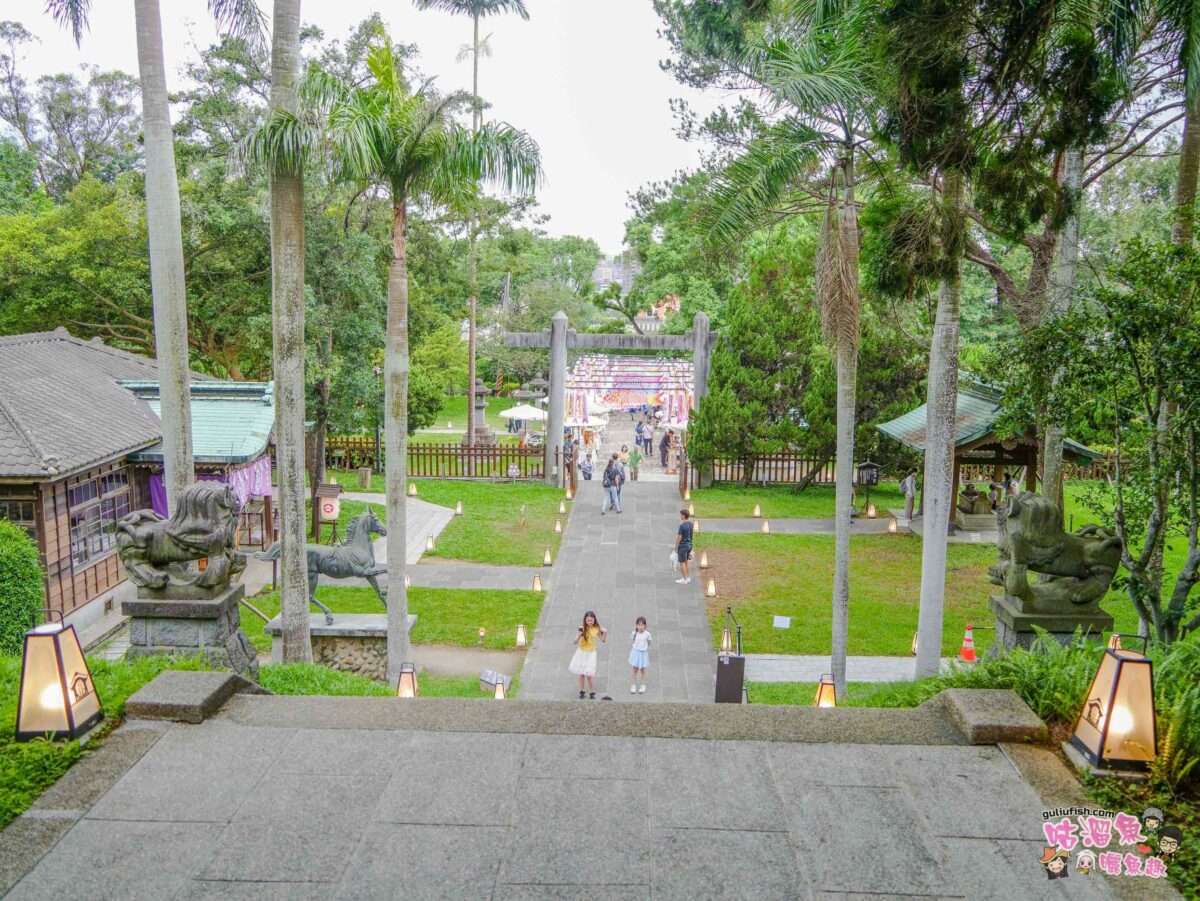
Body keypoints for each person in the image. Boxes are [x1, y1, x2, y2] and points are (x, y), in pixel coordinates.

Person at [569, 610, 607, 699]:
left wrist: (604, 632)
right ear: (585, 620)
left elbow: (603, 640)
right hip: (582, 652)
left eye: (591, 620)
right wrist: (579, 635)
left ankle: (592, 692)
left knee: (589, 675)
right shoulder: (581, 628)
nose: (589, 622)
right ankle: (581, 691)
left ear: (594, 620)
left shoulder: (597, 628)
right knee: (582, 674)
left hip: (591, 653)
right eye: (588, 621)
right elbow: (574, 642)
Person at [629, 616, 652, 694]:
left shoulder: (647, 634)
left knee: (642, 670)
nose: (640, 626)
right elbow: (633, 640)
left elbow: (649, 642)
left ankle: (642, 685)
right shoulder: (634, 633)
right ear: (636, 625)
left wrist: (644, 647)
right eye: (638, 625)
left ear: (644, 625)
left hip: (643, 653)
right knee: (634, 669)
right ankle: (633, 684)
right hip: (635, 652)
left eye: (642, 625)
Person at [674, 508, 694, 585]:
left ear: (684, 515)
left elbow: (679, 537)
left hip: (683, 546)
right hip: (689, 545)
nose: (680, 515)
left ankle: (684, 579)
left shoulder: (682, 526)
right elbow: (692, 535)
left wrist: (676, 546)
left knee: (682, 562)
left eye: (681, 514)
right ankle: (688, 578)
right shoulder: (691, 524)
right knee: (686, 562)